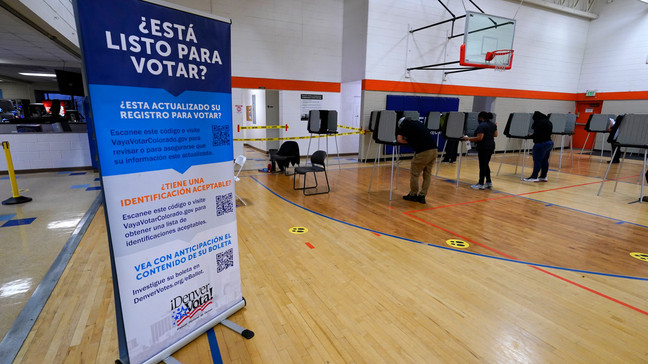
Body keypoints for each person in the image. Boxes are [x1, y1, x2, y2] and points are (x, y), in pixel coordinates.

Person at [396, 117, 438, 204]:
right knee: (427, 174)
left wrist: (410, 142)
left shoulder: (404, 126)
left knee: (415, 174)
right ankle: (422, 196)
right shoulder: (418, 123)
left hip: (423, 152)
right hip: (434, 150)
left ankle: (413, 194)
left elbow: (399, 139)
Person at [462, 111, 497, 189]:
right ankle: (488, 182)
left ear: (481, 117)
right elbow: (495, 135)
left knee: (482, 165)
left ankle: (481, 183)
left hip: (484, 147)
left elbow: (479, 138)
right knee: (486, 164)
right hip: (491, 146)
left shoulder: (482, 125)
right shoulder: (493, 124)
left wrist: (468, 138)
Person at [523, 111, 553, 182]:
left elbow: (536, 134)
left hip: (540, 144)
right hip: (549, 143)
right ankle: (543, 176)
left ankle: (534, 177)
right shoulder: (549, 122)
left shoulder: (539, 122)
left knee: (537, 161)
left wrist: (528, 136)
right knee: (545, 160)